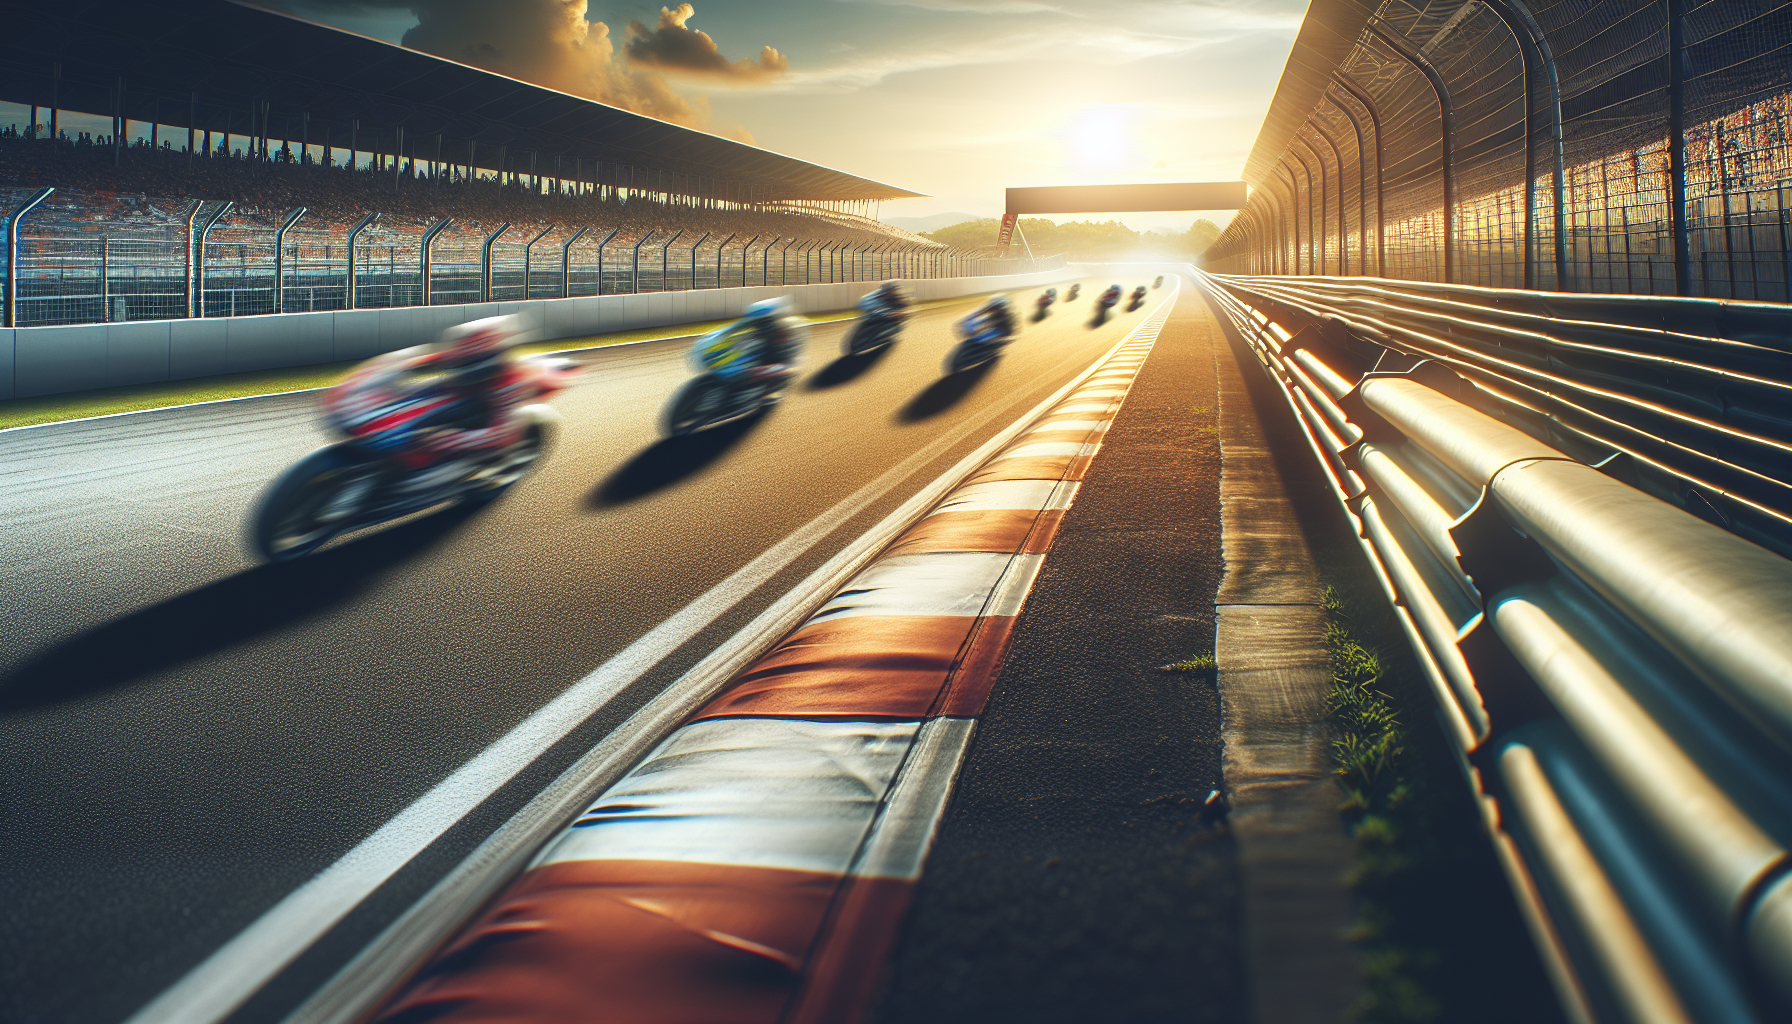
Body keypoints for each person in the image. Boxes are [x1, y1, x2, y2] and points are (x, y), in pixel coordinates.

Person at [322, 314, 556, 476]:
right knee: (423, 396)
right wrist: (369, 382)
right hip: (459, 394)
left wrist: (449, 439)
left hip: (488, 420)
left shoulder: (510, 384)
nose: (462, 358)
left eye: (473, 357)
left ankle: (462, 471)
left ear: (496, 355)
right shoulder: (455, 355)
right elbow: (405, 367)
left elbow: (502, 436)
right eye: (462, 353)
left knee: (454, 427)